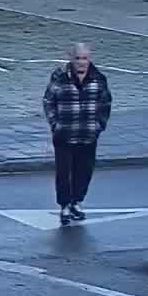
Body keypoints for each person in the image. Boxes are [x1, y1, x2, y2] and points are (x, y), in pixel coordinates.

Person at [43, 43, 112, 224]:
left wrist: (99, 126)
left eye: (85, 58)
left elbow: (105, 104)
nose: (81, 62)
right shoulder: (60, 77)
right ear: (71, 58)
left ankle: (77, 202)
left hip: (88, 134)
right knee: (64, 172)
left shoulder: (99, 79)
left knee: (84, 171)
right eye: (78, 58)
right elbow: (49, 101)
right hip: (64, 134)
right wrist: (55, 124)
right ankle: (64, 205)